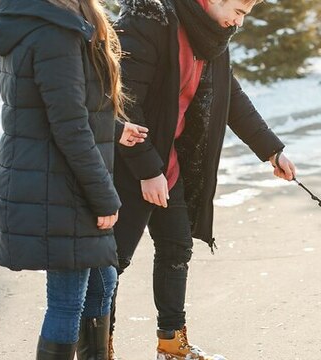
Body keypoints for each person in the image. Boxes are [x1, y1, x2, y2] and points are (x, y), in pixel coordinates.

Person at [111, 0, 297, 358]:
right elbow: (123, 98)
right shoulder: (149, 21)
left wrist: (272, 151)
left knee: (177, 246)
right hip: (128, 159)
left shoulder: (211, 37)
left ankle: (171, 343)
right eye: (238, 12)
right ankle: (99, 346)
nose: (238, 22)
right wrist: (148, 170)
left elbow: (232, 99)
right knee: (111, 261)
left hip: (170, 162)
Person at [0, 0, 148, 358]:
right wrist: (104, 197)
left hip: (56, 177)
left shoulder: (48, 20)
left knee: (102, 282)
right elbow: (69, 125)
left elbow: (59, 106)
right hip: (57, 184)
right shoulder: (54, 31)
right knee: (68, 299)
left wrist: (113, 128)